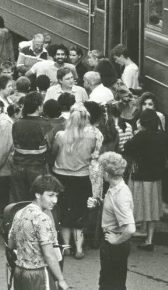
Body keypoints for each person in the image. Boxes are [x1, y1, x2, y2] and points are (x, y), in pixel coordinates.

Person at [51, 103, 97, 259]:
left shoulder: (60, 136)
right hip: (82, 177)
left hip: (61, 176)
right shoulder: (91, 137)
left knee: (63, 211)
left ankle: (65, 246)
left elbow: (54, 151)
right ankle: (79, 248)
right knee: (79, 213)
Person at [8, 174, 68, 290]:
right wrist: (61, 279)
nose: (55, 200)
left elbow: (11, 244)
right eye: (50, 195)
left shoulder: (19, 213)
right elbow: (49, 254)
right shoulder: (43, 218)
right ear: (38, 194)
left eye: (56, 195)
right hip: (38, 275)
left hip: (19, 273)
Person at [88, 152, 135, 290]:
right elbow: (113, 207)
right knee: (109, 281)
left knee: (111, 285)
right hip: (111, 242)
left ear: (106, 173)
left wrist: (116, 240)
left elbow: (130, 228)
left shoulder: (120, 195)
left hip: (114, 244)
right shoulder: (115, 187)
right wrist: (99, 202)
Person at [124, 109, 168, 250]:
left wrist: (138, 130)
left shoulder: (141, 135)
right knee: (152, 209)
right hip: (155, 179)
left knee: (135, 206)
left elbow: (127, 147)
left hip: (140, 177)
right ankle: (149, 240)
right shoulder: (162, 135)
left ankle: (127, 236)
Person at [11, 92, 51, 203]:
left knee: (20, 200)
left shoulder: (17, 123)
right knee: (38, 199)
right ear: (39, 107)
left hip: (19, 167)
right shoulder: (45, 124)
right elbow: (49, 146)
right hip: (38, 167)